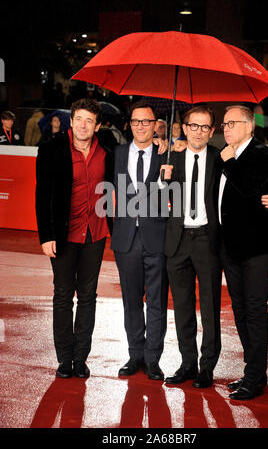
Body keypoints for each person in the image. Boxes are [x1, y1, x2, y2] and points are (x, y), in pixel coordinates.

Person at [160, 106, 268, 389]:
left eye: (206, 127)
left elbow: (250, 184)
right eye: (193, 126)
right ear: (184, 128)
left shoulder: (221, 157)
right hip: (178, 241)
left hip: (210, 241)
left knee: (212, 307)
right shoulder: (169, 158)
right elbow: (156, 201)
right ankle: (188, 363)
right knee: (183, 307)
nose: (199, 131)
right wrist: (163, 183)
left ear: (211, 132)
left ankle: (207, 367)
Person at [35, 98, 114, 379]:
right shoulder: (51, 149)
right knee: (63, 296)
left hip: (95, 232)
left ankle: (80, 358)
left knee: (88, 297)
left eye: (89, 120)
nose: (83, 125)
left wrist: (165, 145)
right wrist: (46, 235)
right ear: (71, 120)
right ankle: (64, 359)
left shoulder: (107, 149)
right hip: (63, 234)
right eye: (78, 118)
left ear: (97, 125)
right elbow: (42, 195)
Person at [218, 105, 268, 400]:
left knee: (254, 310)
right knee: (240, 310)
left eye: (232, 123)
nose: (226, 128)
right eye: (224, 123)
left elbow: (253, 189)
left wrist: (228, 163)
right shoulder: (225, 154)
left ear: (249, 126)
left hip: (256, 247)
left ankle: (254, 377)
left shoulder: (260, 153)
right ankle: (254, 371)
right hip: (230, 248)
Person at [111, 101, 169, 381]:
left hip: (157, 238)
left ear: (156, 124)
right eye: (136, 121)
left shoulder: (167, 154)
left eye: (146, 121)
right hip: (126, 239)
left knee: (156, 301)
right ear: (129, 124)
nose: (141, 126)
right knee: (130, 300)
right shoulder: (118, 153)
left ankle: (152, 359)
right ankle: (135, 355)